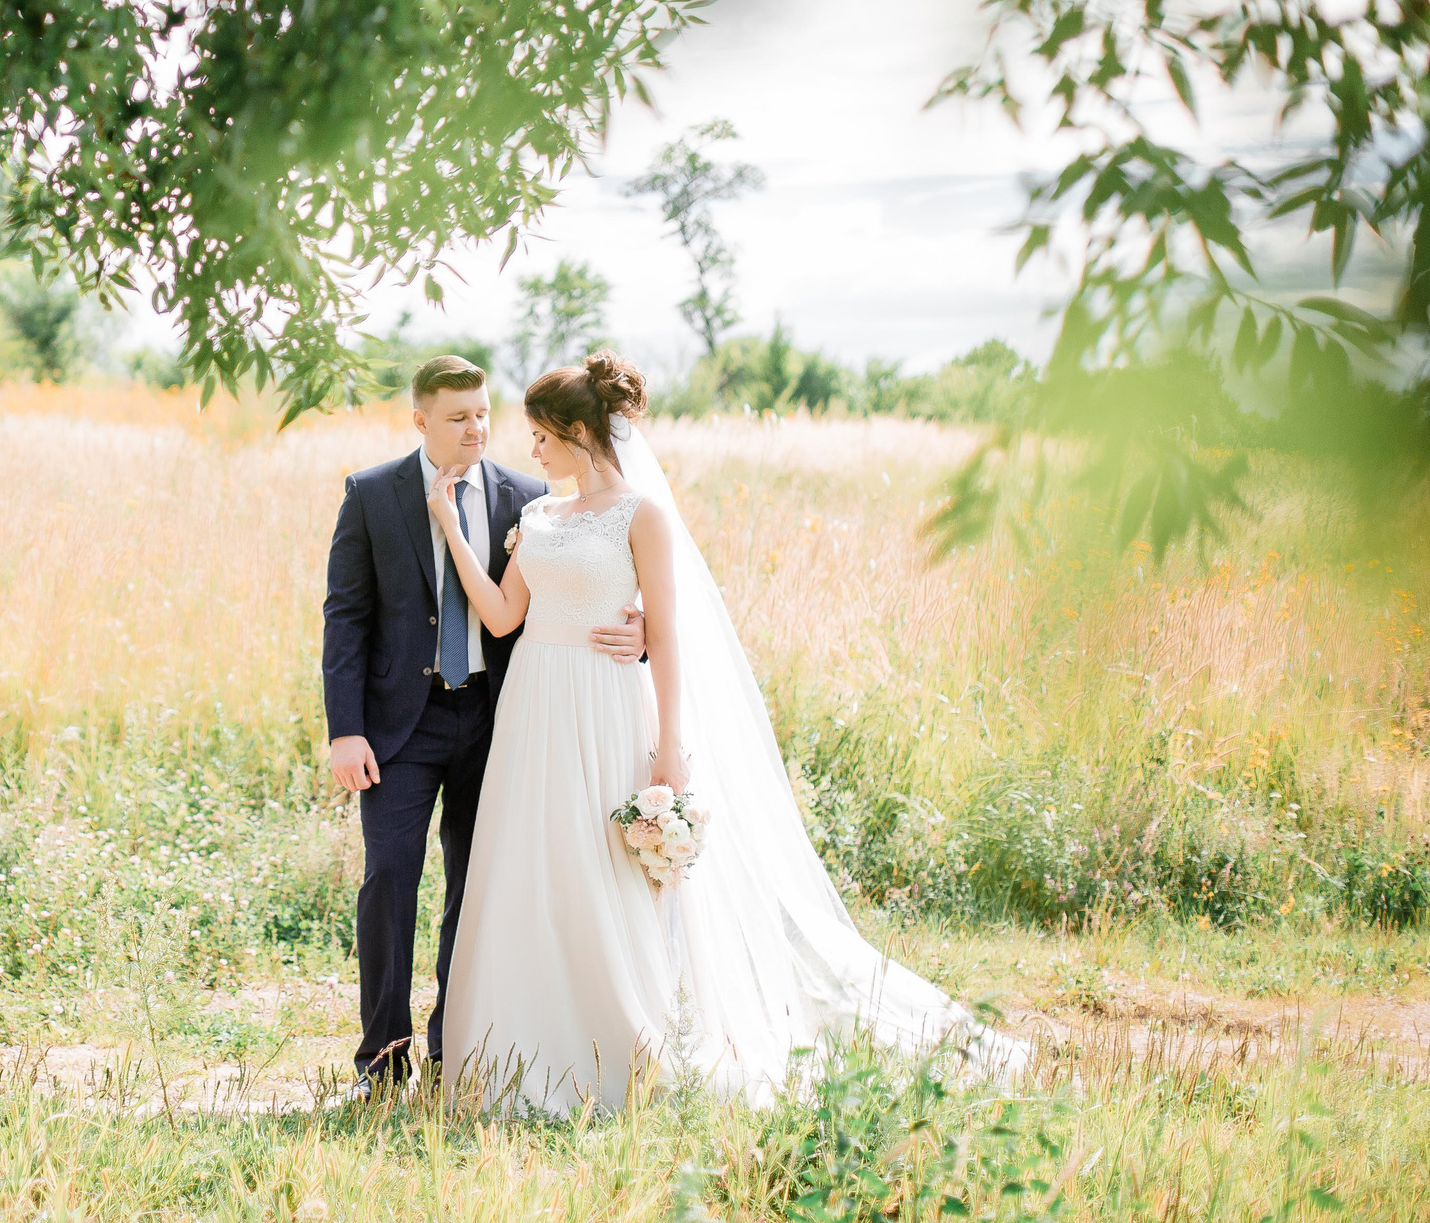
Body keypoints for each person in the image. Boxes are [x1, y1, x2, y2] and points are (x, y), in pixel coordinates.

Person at [432, 352, 1021, 1113]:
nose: (532, 451)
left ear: (578, 431)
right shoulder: (538, 515)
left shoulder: (641, 514)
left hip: (606, 706)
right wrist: (450, 523)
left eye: (542, 435)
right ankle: (520, 1050)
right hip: (534, 711)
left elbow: (670, 636)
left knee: (603, 871)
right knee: (533, 866)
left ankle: (622, 1044)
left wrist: (670, 742)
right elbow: (504, 615)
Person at [320, 355, 646, 1094]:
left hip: (501, 719)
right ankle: (381, 1056)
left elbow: (599, 570)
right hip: (401, 724)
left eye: (482, 414)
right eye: (457, 416)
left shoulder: (529, 495)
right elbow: (347, 615)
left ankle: (452, 1048)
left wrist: (644, 628)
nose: (476, 428)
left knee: (478, 887)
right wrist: (347, 728)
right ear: (420, 420)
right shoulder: (372, 493)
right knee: (390, 880)